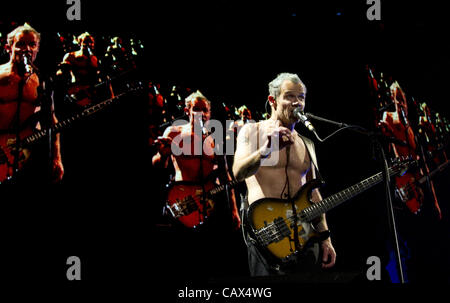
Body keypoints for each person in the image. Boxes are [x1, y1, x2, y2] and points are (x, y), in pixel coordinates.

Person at [232, 72, 336, 276]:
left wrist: (325, 237)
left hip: (305, 238)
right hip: (267, 237)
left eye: (301, 97)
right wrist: (266, 150)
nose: (297, 102)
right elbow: (238, 173)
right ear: (273, 100)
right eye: (290, 96)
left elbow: (314, 196)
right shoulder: (251, 131)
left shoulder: (308, 144)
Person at [152, 90, 241, 279]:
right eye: (196, 109)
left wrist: (234, 210)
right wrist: (162, 154)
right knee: (183, 259)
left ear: (209, 113)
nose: (201, 113)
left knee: (212, 259)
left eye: (205, 110)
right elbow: (157, 164)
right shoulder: (174, 132)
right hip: (181, 200)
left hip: (209, 203)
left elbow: (225, 176)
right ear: (187, 110)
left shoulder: (215, 139)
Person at [0, 23, 64, 183]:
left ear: (37, 49)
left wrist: (57, 157)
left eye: (32, 44)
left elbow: (51, 120)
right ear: (9, 47)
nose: (27, 49)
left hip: (25, 154)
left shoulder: (40, 80)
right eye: (21, 44)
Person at [56, 32, 100, 108]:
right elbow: (60, 74)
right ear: (80, 42)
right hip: (76, 93)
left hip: (91, 92)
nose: (89, 44)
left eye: (91, 42)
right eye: (86, 41)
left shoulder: (94, 59)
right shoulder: (70, 56)